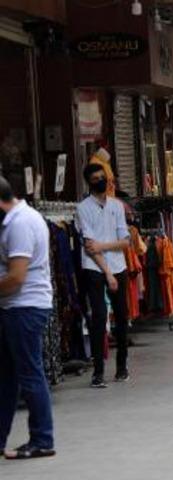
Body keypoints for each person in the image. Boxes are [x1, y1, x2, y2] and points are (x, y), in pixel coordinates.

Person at [0, 176, 55, 460]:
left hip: (24, 306)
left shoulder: (20, 223)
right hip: (16, 307)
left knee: (29, 373)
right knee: (8, 376)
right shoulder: (19, 218)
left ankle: (42, 439)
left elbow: (16, 277)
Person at [76, 163, 131, 388]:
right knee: (99, 317)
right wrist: (108, 273)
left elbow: (125, 242)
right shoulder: (82, 208)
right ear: (89, 182)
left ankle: (122, 366)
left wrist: (104, 246)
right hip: (95, 268)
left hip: (119, 266)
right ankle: (98, 371)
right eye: (96, 178)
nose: (101, 181)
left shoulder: (117, 206)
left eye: (103, 177)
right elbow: (90, 247)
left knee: (121, 315)